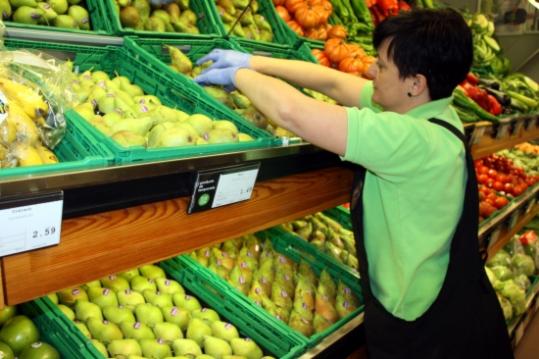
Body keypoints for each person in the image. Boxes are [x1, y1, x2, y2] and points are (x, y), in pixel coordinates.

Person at [195, 8, 514, 359]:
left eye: (382, 65)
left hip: (429, 334)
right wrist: (255, 62)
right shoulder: (429, 110)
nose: (370, 69)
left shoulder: (414, 140)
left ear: (415, 83)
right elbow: (331, 82)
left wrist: (241, 76)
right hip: (445, 308)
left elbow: (293, 113)